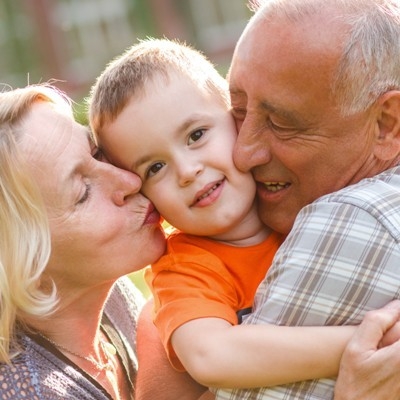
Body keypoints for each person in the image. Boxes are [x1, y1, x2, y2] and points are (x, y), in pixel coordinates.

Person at [88, 37, 361, 392]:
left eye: (196, 135)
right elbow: (210, 356)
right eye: (155, 168)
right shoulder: (185, 268)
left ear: (239, 119)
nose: (187, 171)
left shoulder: (311, 198)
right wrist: (363, 342)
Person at [213, 0, 400, 398]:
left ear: (387, 124)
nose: (243, 153)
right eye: (238, 111)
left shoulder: (354, 218)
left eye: (282, 123)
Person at [0, 83, 189, 400]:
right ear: (24, 261)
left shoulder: (107, 294)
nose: (130, 180)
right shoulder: (30, 391)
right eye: (83, 193)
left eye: (96, 153)